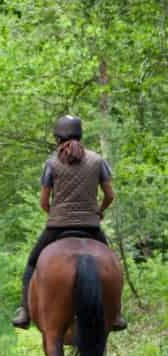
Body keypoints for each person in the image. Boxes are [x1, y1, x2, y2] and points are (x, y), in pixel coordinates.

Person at [12, 115, 127, 331]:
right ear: (80, 134)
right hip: (91, 227)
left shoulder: (51, 163)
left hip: (57, 227)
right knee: (112, 265)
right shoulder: (97, 160)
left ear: (57, 137)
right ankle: (117, 313)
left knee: (31, 263)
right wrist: (98, 211)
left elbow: (44, 202)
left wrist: (54, 213)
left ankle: (24, 311)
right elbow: (110, 195)